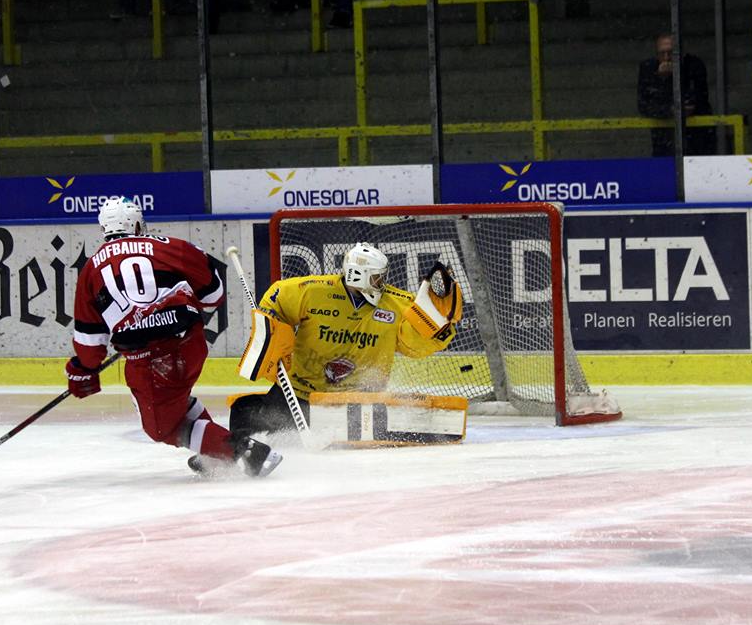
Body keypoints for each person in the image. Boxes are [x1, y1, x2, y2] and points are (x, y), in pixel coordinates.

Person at [65, 197, 282, 478]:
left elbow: (90, 342)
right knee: (176, 402)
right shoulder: (170, 246)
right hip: (191, 343)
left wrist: (83, 370)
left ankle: (248, 453)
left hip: (151, 362)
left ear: (104, 228)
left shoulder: (92, 269)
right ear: (137, 224)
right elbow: (214, 295)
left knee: (162, 428)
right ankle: (212, 454)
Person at [229, 242, 463, 440]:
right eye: (377, 277)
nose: (383, 282)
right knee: (243, 410)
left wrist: (440, 329)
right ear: (358, 275)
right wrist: (270, 329)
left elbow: (414, 347)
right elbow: (276, 296)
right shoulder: (313, 292)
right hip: (301, 394)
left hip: (361, 404)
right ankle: (235, 453)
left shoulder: (398, 303)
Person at [637, 33, 716, 156]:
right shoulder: (649, 68)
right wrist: (662, 80)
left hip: (696, 138)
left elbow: (696, 100)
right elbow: (644, 105)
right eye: (662, 53)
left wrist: (674, 76)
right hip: (664, 139)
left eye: (671, 53)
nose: (666, 58)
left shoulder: (694, 65)